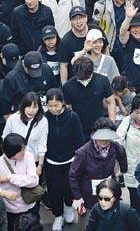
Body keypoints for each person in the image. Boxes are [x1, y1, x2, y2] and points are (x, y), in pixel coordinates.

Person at [44, 88, 85, 231]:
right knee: (54, 191)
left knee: (69, 189)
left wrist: (79, 159)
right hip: (51, 162)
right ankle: (58, 216)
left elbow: (79, 140)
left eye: (56, 105)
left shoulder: (72, 117)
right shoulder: (45, 117)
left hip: (70, 160)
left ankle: (68, 207)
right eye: (50, 105)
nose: (53, 109)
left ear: (63, 103)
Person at [69, 121, 127, 211]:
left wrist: (123, 170)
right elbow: (73, 176)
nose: (104, 140)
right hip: (89, 193)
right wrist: (77, 196)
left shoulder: (116, 147)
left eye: (107, 137)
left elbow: (122, 154)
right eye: (101, 137)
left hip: (110, 189)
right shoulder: (83, 152)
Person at [62, 55, 115, 139]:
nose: (81, 79)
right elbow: (68, 108)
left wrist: (111, 122)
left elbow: (111, 102)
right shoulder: (68, 86)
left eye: (84, 78)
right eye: (79, 77)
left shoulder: (102, 80)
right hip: (79, 128)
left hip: (100, 126)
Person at [0, 133, 40, 231]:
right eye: (21, 151)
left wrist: (9, 178)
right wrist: (4, 193)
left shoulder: (28, 156)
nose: (24, 152)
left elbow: (33, 180)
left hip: (29, 206)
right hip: (10, 209)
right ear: (11, 153)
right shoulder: (1, 163)